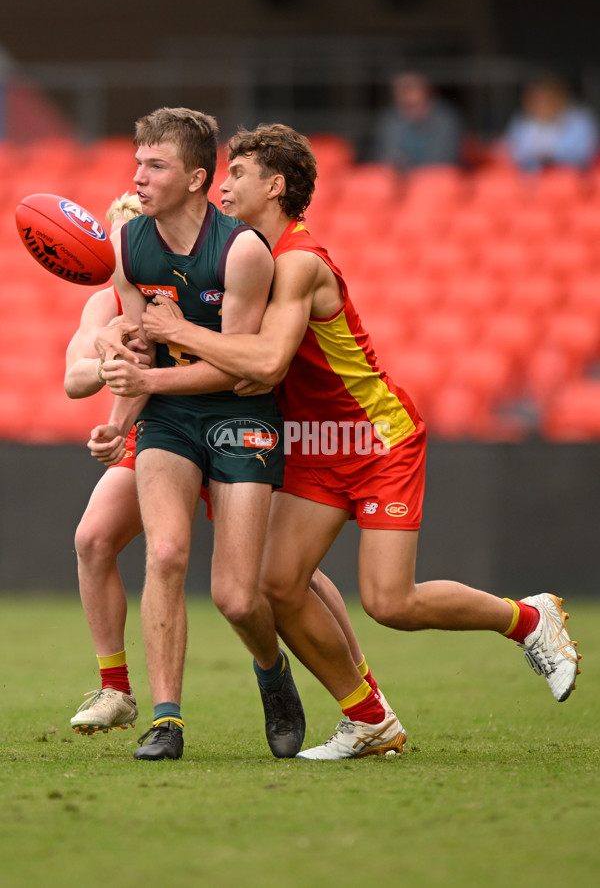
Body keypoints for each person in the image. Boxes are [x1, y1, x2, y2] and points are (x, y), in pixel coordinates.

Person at [103, 122, 581, 761]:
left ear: (274, 186)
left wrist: (177, 330)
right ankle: (369, 719)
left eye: (237, 175)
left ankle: (526, 619)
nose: (223, 187)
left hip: (376, 437)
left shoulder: (296, 261)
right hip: (314, 441)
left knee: (391, 602)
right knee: (276, 586)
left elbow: (267, 364)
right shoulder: (245, 255)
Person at [88, 108, 399, 762]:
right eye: (137, 163)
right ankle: (166, 720)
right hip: (170, 421)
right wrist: (118, 409)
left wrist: (154, 367)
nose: (138, 177)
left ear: (197, 178)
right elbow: (144, 344)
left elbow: (233, 364)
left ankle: (271, 670)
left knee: (237, 594)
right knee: (165, 555)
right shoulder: (126, 245)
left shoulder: (244, 251)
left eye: (156, 165)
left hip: (239, 418)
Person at [66, 192, 146, 736]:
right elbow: (73, 380)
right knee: (92, 540)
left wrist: (117, 422)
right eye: (112, 244)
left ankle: (359, 689)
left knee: (278, 577)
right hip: (149, 439)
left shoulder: (188, 289)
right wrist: (106, 354)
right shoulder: (103, 304)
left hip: (217, 426)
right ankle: (115, 689)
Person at [369, 71, 464, 170]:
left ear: (426, 91)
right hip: (398, 178)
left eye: (410, 89)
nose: (405, 95)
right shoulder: (390, 119)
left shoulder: (445, 119)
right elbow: (382, 155)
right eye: (401, 90)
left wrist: (407, 168)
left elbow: (444, 159)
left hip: (434, 177)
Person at [503, 74, 599, 172]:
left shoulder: (580, 120)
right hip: (529, 180)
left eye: (545, 98)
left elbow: (583, 156)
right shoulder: (521, 122)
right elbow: (513, 154)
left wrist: (551, 158)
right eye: (535, 99)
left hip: (568, 177)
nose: (541, 103)